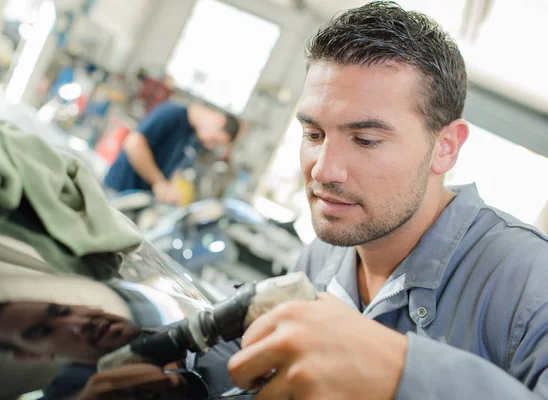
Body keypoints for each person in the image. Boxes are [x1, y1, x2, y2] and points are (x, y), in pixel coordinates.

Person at [223, 2, 548, 399]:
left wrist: (401, 373)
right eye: (314, 134)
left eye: (365, 140)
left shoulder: (531, 281)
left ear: (445, 147)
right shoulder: (319, 257)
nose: (324, 171)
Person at [0, 294, 241, 398]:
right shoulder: (75, 391)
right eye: (44, 331)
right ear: (32, 354)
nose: (79, 324)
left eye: (62, 311)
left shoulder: (202, 324)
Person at [103, 101, 241, 205]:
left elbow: (176, 169)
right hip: (117, 191)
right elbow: (133, 144)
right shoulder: (172, 114)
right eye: (214, 139)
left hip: (137, 200)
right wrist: (158, 182)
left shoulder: (195, 139)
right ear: (218, 120)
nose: (210, 144)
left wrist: (171, 190)